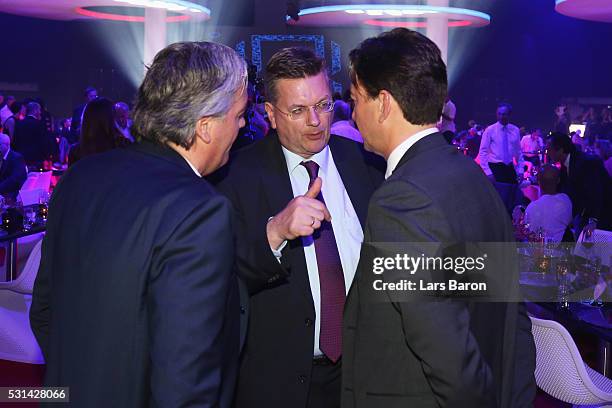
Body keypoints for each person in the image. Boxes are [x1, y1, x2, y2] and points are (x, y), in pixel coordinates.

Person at [30, 41, 248, 408]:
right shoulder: (200, 210)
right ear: (206, 126)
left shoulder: (81, 176)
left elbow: (44, 311)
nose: (243, 124)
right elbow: (185, 381)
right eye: (239, 113)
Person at [344, 28, 536, 407]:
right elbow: (511, 317)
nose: (353, 114)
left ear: (383, 103)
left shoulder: (401, 200)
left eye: (355, 101)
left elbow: (448, 353)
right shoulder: (471, 176)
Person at [212, 47, 384, 408]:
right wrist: (274, 233)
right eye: (298, 110)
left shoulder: (366, 165)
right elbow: (220, 280)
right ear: (271, 115)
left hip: (362, 375)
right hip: (277, 383)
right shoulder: (235, 177)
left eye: (323, 105)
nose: (315, 122)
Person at [547, 131, 612, 230]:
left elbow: (596, 193)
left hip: (602, 217)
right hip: (585, 215)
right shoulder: (566, 164)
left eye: (549, 149)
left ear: (560, 150)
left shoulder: (585, 163)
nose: (547, 153)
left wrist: (593, 221)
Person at [68, 97, 129, 166]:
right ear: (109, 120)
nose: (119, 120)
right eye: (116, 115)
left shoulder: (75, 152)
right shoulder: (121, 147)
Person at [524, 165, 572, 242]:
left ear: (538, 181)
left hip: (539, 251)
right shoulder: (566, 200)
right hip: (562, 249)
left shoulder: (532, 207)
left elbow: (529, 234)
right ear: (558, 180)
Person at [478, 102, 524, 184]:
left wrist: (521, 170)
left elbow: (518, 152)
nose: (501, 116)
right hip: (495, 167)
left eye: (504, 114)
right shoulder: (490, 130)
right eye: (499, 114)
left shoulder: (515, 130)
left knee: (512, 194)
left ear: (509, 115)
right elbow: (483, 152)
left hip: (509, 167)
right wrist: (488, 172)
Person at [12, 101, 56, 170]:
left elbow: (15, 141)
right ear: (35, 111)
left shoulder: (19, 123)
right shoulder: (39, 124)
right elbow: (43, 142)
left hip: (21, 158)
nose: (40, 112)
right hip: (36, 160)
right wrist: (46, 157)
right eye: (39, 110)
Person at [0, 133, 27, 200]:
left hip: (13, 194)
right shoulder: (2, 157)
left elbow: (14, 180)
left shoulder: (16, 158)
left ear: (7, 145)